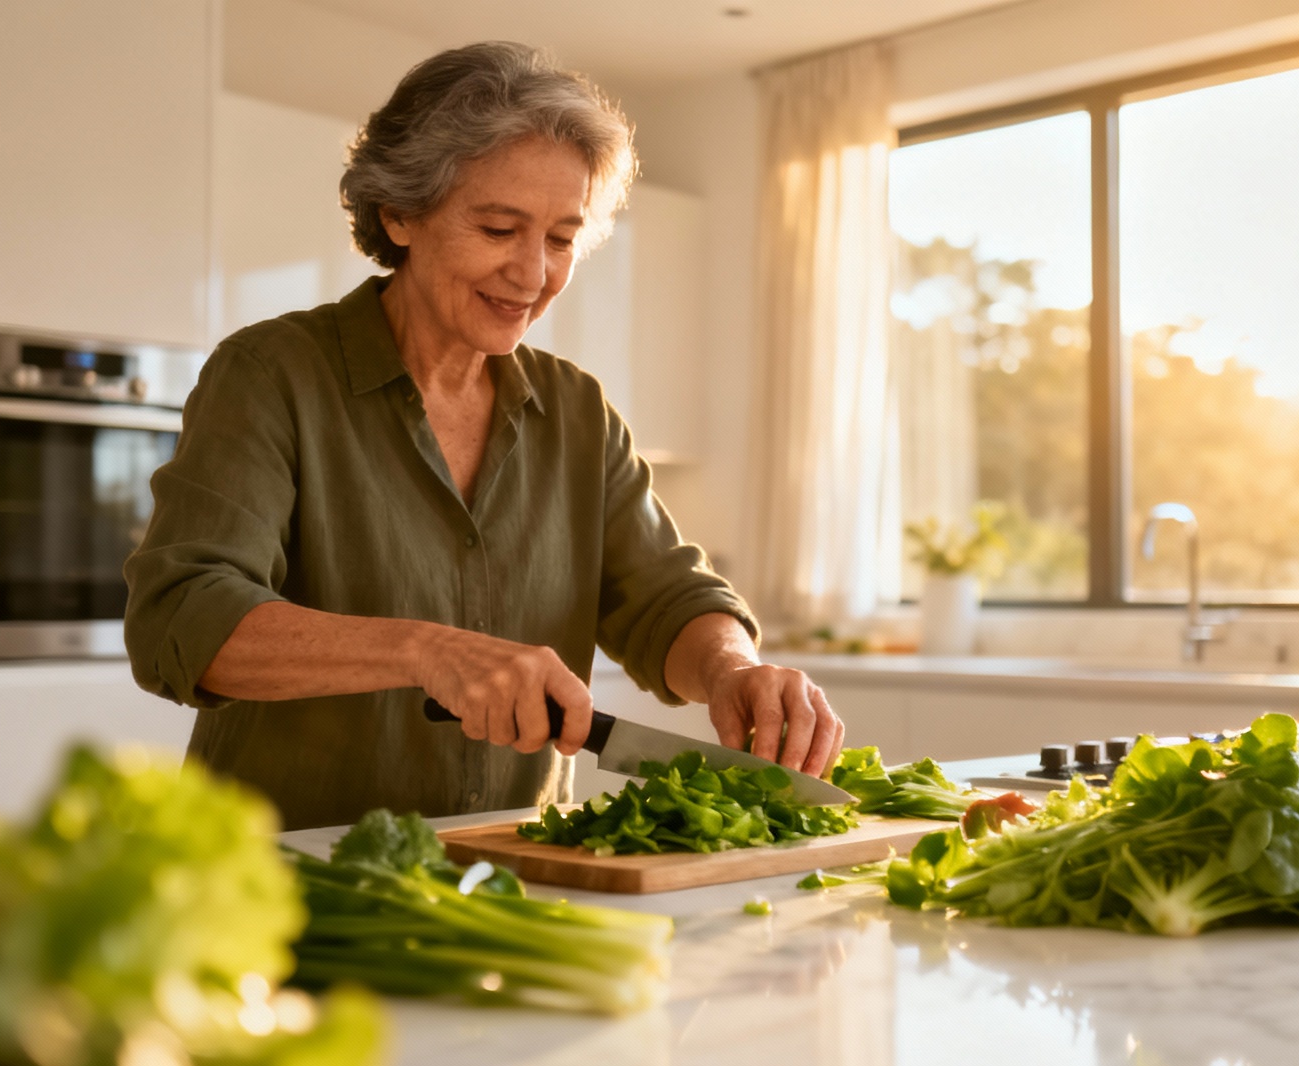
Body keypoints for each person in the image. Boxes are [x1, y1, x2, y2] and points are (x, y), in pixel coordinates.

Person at [123, 42, 844, 830]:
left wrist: (732, 667)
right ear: (400, 213)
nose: (534, 274)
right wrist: (424, 651)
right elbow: (184, 620)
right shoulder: (271, 374)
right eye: (500, 228)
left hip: (511, 876)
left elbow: (666, 598)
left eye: (562, 239)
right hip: (288, 876)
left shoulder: (576, 409)